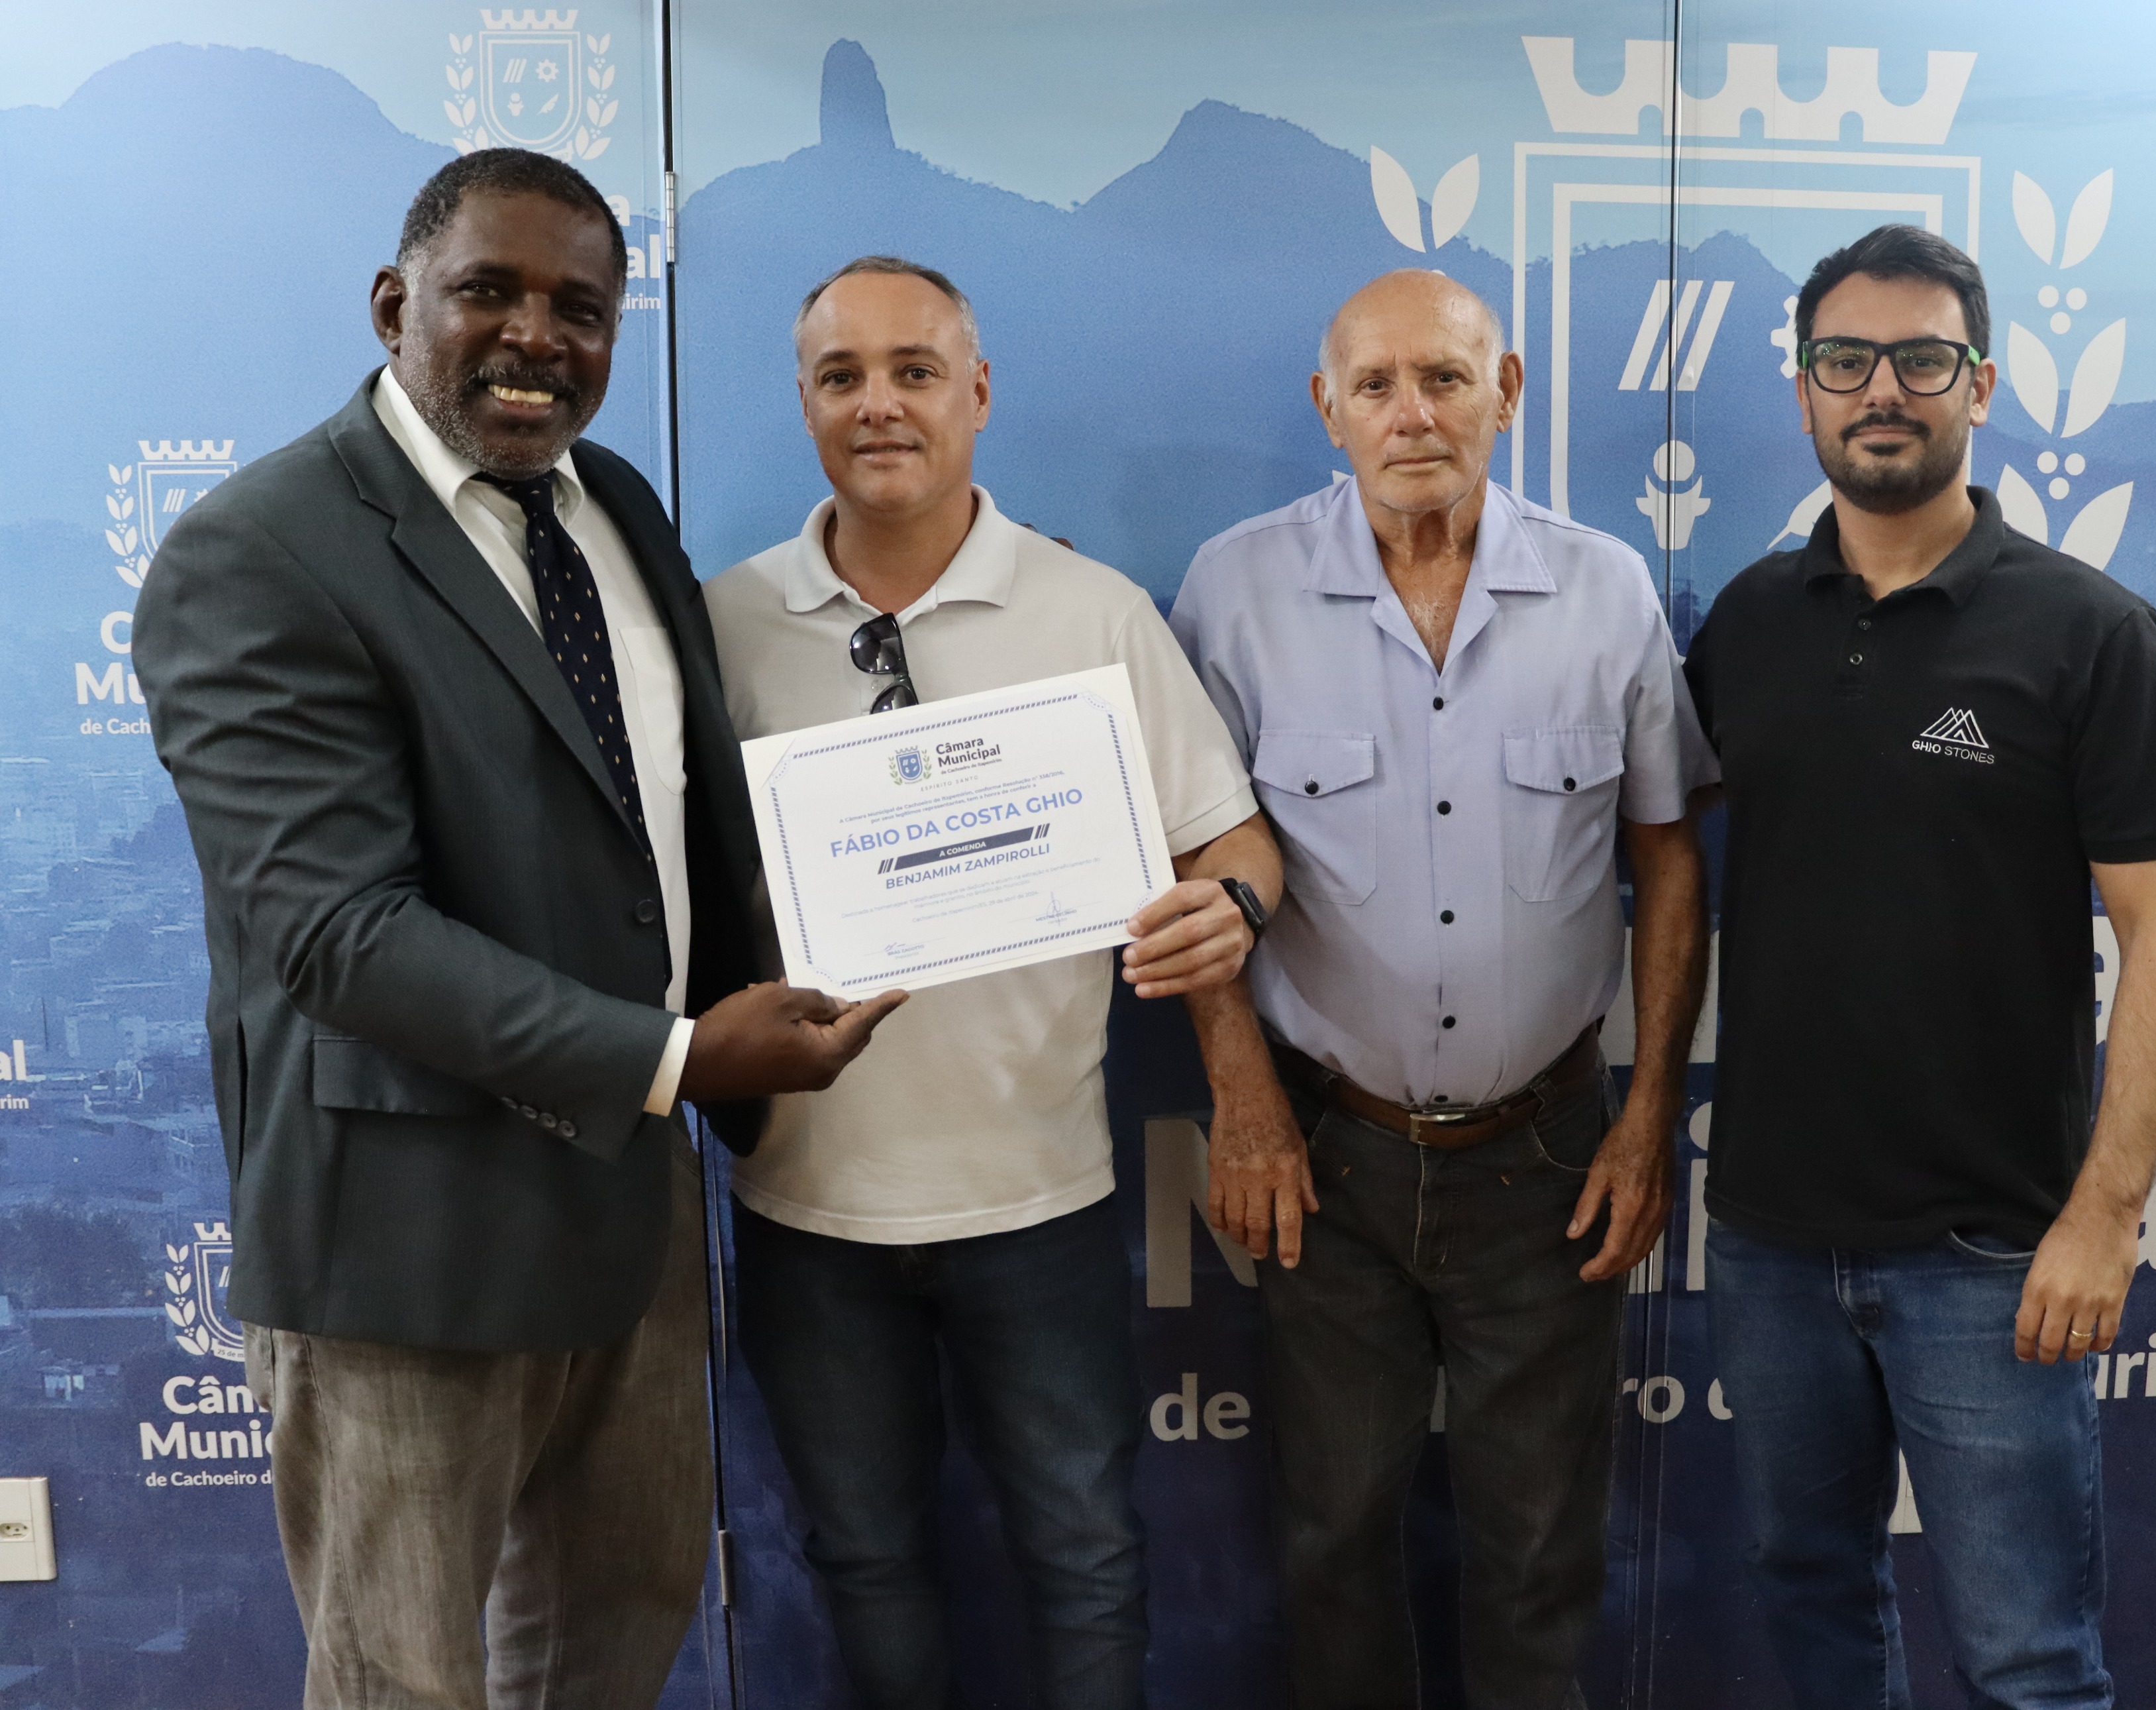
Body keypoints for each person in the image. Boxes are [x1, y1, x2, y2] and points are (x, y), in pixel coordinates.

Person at [130, 150, 903, 1710]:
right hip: (404, 1247)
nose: (537, 337)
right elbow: (339, 933)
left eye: (581, 307)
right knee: (405, 1683)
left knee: (613, 1647)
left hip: (628, 1216)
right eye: (490, 291)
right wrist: (675, 1056)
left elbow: (666, 826)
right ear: (393, 303)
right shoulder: (261, 549)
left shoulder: (614, 505)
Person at [703, 254, 1278, 1710]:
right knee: (866, 1559)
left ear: (977, 392)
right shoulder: (722, 625)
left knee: (1086, 1554)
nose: (878, 405)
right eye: (842, 376)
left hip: (1040, 1200)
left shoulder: (1092, 611)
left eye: (914, 371)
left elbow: (1233, 840)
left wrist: (1229, 911)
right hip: (809, 1208)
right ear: (803, 402)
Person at [1682, 224, 2156, 1709]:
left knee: (2029, 1658)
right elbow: (1660, 862)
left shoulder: (2089, 633)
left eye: (1921, 359)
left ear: (1980, 384)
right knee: (1812, 1604)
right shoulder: (1746, 623)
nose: (1882, 390)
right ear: (1803, 388)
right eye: (1846, 360)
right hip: (1771, 1237)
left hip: (1993, 1252)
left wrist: (2105, 1216)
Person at [1169, 269, 1714, 1710]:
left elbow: (1667, 855)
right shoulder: (1234, 590)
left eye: (1446, 378)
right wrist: (1241, 1101)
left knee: (1539, 1553)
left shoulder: (1605, 590)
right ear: (1328, 409)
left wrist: (1647, 1115)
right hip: (1324, 1152)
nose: (1412, 414)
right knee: (1334, 1542)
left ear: (1507, 391)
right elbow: (1191, 863)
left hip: (1550, 1159)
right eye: (1376, 385)